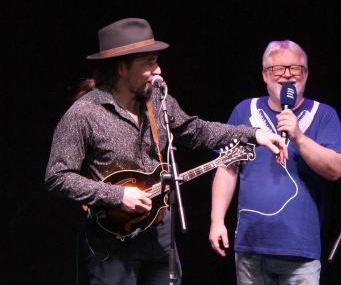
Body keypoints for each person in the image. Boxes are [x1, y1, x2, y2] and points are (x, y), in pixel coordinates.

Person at [45, 17, 287, 285]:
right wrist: (117, 195)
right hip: (110, 242)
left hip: (158, 233)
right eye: (149, 62)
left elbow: (197, 131)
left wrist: (254, 133)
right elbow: (57, 176)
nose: (158, 70)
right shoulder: (85, 113)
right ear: (122, 68)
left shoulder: (157, 101)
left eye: (156, 60)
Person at [209, 40, 341, 284]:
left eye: (295, 69)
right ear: (264, 75)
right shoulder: (245, 110)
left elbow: (335, 169)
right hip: (252, 247)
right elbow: (226, 167)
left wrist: (299, 137)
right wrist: (217, 220)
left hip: (300, 250)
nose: (287, 76)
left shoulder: (324, 114)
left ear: (306, 74)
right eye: (278, 69)